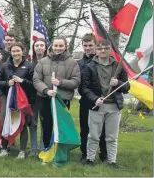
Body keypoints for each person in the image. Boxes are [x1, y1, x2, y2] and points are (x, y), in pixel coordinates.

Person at [81, 39, 129, 168]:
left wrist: (118, 83)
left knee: (112, 137)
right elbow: (84, 88)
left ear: (110, 50)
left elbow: (127, 86)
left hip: (114, 106)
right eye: (100, 48)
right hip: (97, 106)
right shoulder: (89, 66)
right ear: (96, 50)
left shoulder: (118, 66)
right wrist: (94, 99)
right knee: (93, 136)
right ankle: (90, 159)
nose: (103, 50)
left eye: (106, 48)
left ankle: (112, 161)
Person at [33, 36, 80, 160]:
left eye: (61, 46)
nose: (58, 48)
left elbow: (76, 82)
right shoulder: (42, 62)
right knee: (46, 126)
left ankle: (60, 153)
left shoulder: (72, 62)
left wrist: (61, 83)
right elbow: (36, 80)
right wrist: (47, 90)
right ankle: (47, 152)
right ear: (51, 46)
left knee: (61, 127)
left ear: (65, 47)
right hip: (45, 98)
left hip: (62, 100)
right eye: (56, 45)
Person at [0, 42, 34, 158]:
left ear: (22, 51)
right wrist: (7, 83)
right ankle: (4, 149)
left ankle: (22, 151)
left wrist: (23, 81)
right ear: (10, 53)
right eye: (13, 51)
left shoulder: (29, 66)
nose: (16, 53)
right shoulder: (5, 66)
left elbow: (33, 84)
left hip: (23, 99)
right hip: (8, 98)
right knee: (5, 121)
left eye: (18, 51)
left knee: (23, 123)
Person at [78, 33, 107, 163]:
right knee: (85, 129)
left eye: (90, 45)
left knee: (103, 130)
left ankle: (104, 154)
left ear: (95, 45)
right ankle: (85, 154)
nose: (88, 48)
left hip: (102, 100)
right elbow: (79, 84)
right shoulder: (79, 63)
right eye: (85, 45)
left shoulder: (102, 60)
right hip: (85, 100)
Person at [29, 38, 48, 156]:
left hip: (45, 96)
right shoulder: (29, 62)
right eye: (37, 45)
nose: (39, 47)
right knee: (32, 123)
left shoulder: (49, 62)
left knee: (44, 123)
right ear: (34, 48)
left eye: (42, 45)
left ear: (45, 47)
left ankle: (43, 148)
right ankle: (33, 149)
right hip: (32, 97)